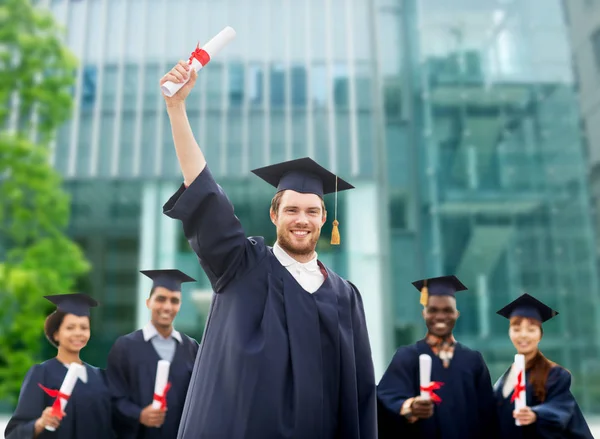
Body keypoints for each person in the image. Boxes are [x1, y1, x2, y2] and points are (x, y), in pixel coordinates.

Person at [158, 61, 377, 438]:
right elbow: (204, 190)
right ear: (274, 213)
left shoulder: (345, 296)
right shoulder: (240, 266)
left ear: (325, 218)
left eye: (312, 211)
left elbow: (357, 394)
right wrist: (176, 109)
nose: (301, 220)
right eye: (291, 209)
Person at [377, 275, 499, 439]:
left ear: (457, 314)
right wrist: (410, 407)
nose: (440, 317)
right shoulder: (406, 357)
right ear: (424, 314)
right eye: (433, 310)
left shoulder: (473, 360)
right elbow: (387, 398)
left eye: (447, 310)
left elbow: (487, 414)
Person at [5, 293, 114, 439]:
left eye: (84, 327)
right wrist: (41, 423)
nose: (78, 333)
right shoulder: (41, 373)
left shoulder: (101, 377)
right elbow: (14, 433)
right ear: (56, 334)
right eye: (70, 328)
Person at [106, 269, 199, 439]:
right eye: (161, 299)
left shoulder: (191, 348)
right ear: (148, 302)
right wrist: (139, 414)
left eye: (174, 301)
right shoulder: (125, 347)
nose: (167, 307)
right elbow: (112, 397)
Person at [494, 293, 593, 438]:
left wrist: (535, 414)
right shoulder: (506, 377)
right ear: (509, 333)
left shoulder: (556, 374)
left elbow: (560, 407)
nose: (523, 335)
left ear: (540, 334)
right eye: (516, 329)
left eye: (531, 330)